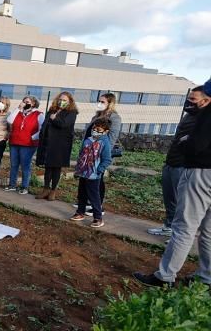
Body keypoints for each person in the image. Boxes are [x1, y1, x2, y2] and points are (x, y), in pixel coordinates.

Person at [134, 78, 211, 289]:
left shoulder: (206, 114)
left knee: (184, 227)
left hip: (201, 172)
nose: (192, 103)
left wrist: (186, 144)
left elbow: (196, 145)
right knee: (209, 231)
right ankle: (206, 278)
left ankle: (165, 277)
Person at [147, 86, 211, 237]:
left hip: (184, 167)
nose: (189, 102)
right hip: (171, 163)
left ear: (205, 101)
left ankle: (179, 235)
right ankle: (169, 226)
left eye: (193, 99)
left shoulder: (204, 121)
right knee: (170, 199)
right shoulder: (188, 116)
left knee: (183, 205)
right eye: (188, 98)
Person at [77, 93, 123, 213]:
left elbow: (112, 137)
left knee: (98, 179)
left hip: (99, 154)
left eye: (103, 102)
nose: (100, 103)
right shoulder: (97, 116)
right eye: (99, 101)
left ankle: (98, 206)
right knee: (86, 178)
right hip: (88, 152)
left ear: (110, 103)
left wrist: (101, 153)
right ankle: (86, 202)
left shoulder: (114, 118)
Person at [69, 117, 113, 228]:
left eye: (99, 130)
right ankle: (80, 212)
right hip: (83, 172)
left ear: (106, 131)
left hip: (94, 175)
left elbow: (107, 159)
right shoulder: (88, 140)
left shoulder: (105, 143)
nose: (95, 131)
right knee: (81, 194)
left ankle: (98, 217)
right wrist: (78, 168)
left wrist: (99, 170)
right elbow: (81, 154)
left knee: (94, 196)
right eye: (94, 129)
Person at [35, 92, 79, 200]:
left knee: (56, 168)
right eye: (60, 99)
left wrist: (54, 119)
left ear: (69, 102)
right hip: (48, 143)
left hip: (60, 145)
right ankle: (45, 189)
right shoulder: (52, 110)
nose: (61, 102)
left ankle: (53, 191)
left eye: (64, 100)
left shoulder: (72, 112)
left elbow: (64, 124)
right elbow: (45, 124)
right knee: (48, 167)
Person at [5, 95, 43, 194]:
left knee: (25, 165)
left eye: (27, 102)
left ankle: (24, 186)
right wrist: (18, 108)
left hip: (28, 144)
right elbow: (9, 120)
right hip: (14, 142)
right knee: (14, 165)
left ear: (33, 103)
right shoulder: (18, 112)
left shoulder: (38, 114)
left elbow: (42, 129)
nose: (25, 103)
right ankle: (12, 185)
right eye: (24, 101)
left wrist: (33, 137)